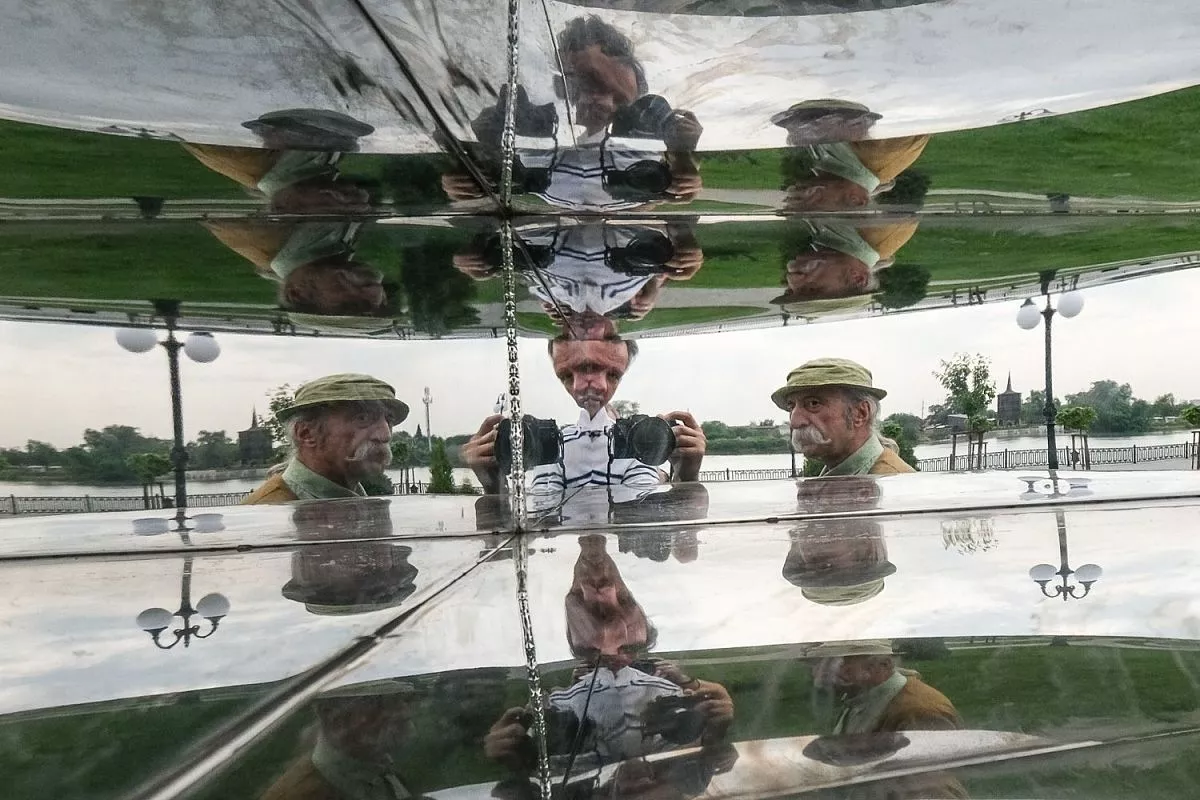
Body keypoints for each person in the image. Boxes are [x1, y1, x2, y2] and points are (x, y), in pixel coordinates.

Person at [462, 334, 706, 493]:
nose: (586, 387)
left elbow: (542, 513)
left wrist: (495, 487)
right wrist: (682, 476)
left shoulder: (630, 453)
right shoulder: (561, 450)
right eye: (567, 375)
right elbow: (647, 507)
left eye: (613, 374)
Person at [243, 374, 407, 504]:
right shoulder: (267, 512)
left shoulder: (350, 497)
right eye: (362, 418)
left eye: (389, 420)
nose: (385, 435)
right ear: (306, 433)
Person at [771, 358, 914, 476]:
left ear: (860, 413)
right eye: (791, 406)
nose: (795, 422)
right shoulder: (846, 475)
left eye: (813, 403)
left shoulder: (894, 485)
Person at [806, 640, 961, 734]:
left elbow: (933, 776)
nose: (818, 674)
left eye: (841, 665)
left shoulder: (920, 711)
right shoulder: (860, 697)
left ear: (884, 665)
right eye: (820, 664)